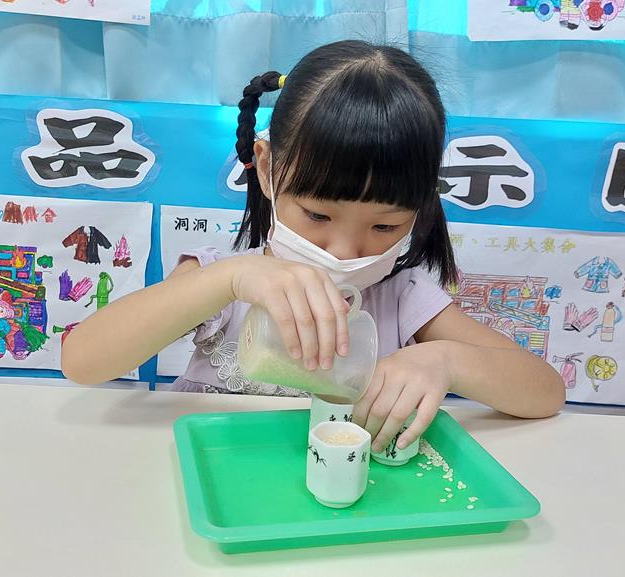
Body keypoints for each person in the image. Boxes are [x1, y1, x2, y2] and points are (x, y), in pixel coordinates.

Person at [63, 41, 564, 454]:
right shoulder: (224, 282)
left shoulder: (402, 295)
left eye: (385, 225)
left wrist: (447, 361)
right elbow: (82, 361)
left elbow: (546, 392)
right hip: (221, 483)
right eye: (318, 216)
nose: (345, 252)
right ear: (266, 168)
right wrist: (228, 280)